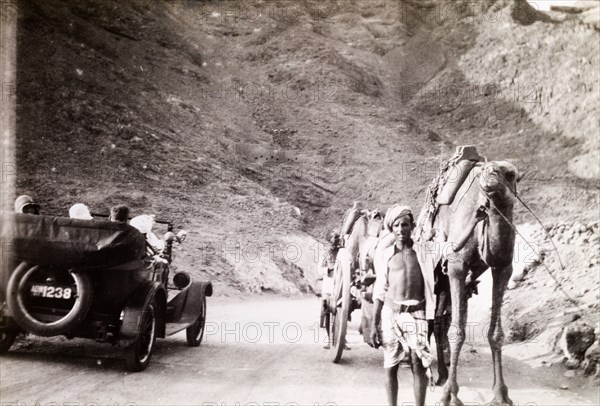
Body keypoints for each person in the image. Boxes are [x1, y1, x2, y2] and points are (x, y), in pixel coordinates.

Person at [371, 205, 434, 406]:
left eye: (404, 225)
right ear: (391, 228)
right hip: (390, 313)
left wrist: (475, 221)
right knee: (390, 365)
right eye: (396, 225)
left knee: (418, 364)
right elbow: (380, 290)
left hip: (417, 313)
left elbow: (454, 247)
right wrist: (374, 325)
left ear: (412, 226)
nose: (400, 229)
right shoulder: (386, 254)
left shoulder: (424, 253)